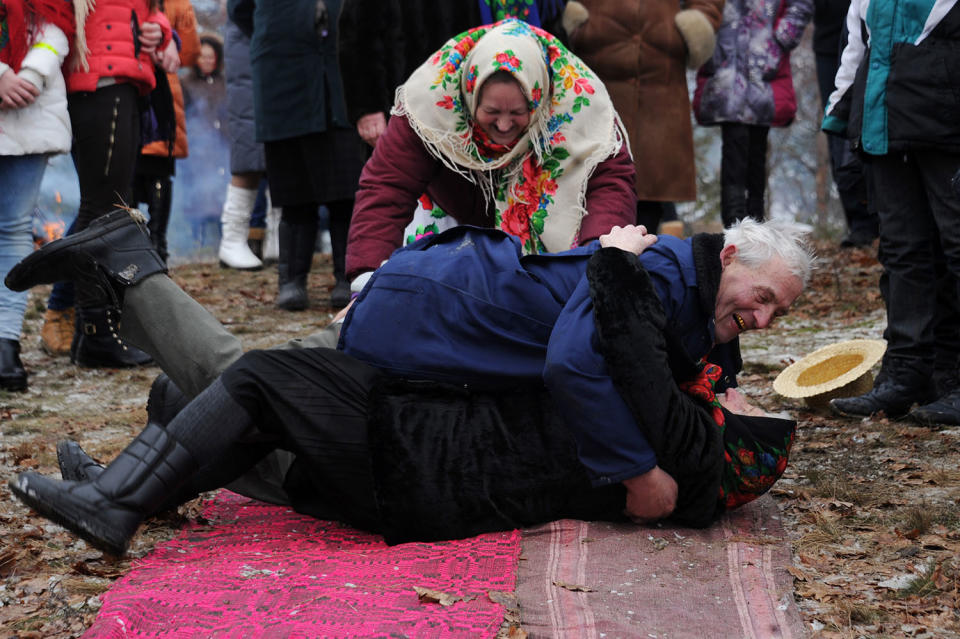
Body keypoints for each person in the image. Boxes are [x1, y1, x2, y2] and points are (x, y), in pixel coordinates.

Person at [6, 211, 800, 557]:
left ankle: (127, 483)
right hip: (430, 323)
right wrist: (640, 469)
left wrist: (719, 387)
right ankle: (130, 265)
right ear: (729, 256)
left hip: (451, 350)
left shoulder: (693, 303)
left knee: (243, 393)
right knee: (251, 382)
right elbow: (578, 361)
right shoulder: (656, 273)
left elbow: (678, 376)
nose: (763, 319)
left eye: (777, 313)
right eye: (763, 298)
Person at [345, 18, 636, 292]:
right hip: (454, 213)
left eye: (518, 113)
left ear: (539, 100)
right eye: (492, 112)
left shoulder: (577, 102)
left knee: (550, 295)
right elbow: (388, 185)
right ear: (470, 96)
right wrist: (368, 273)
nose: (504, 124)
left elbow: (609, 182)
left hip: (546, 220)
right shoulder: (430, 102)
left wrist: (600, 259)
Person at [823, 0, 960, 424]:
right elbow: (858, 40)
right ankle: (907, 374)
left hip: (948, 115)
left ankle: (952, 375)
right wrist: (841, 105)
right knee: (902, 252)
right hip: (882, 116)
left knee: (957, 246)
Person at [38, 0, 172, 367]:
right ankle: (96, 331)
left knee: (107, 207)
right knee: (105, 210)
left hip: (116, 77)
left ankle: (92, 331)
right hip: (100, 80)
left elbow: (139, 10)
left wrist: (159, 26)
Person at [228, 0, 364, 310]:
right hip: (280, 71)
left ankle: (349, 275)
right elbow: (241, 9)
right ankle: (291, 280)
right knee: (293, 187)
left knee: (347, 185)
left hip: (339, 68)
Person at [569, 0, 722, 233]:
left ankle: (637, 264)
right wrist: (574, 23)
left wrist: (693, 26)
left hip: (661, 81)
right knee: (592, 188)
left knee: (650, 194)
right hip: (594, 76)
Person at [0, 0, 74, 391]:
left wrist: (28, 76)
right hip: (20, 101)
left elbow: (57, 26)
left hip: (28, 110)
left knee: (13, 228)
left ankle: (5, 343)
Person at [692, 0, 813, 227]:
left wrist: (783, 35)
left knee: (757, 152)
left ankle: (755, 227)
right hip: (725, 64)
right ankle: (735, 230)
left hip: (764, 66)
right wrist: (703, 34)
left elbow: (802, 4)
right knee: (734, 150)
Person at [132, 0, 201, 264]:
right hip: (162, 93)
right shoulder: (178, 4)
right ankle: (158, 244)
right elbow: (190, 52)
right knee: (159, 169)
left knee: (127, 173)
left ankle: (133, 247)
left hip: (125, 86)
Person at [811, 0, 877, 248]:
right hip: (829, 41)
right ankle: (859, 222)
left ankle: (879, 213)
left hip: (871, 32)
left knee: (872, 119)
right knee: (838, 126)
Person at [216, 20, 275, 270]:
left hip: (273, 51)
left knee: (283, 153)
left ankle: (278, 237)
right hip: (252, 55)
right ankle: (232, 240)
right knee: (249, 155)